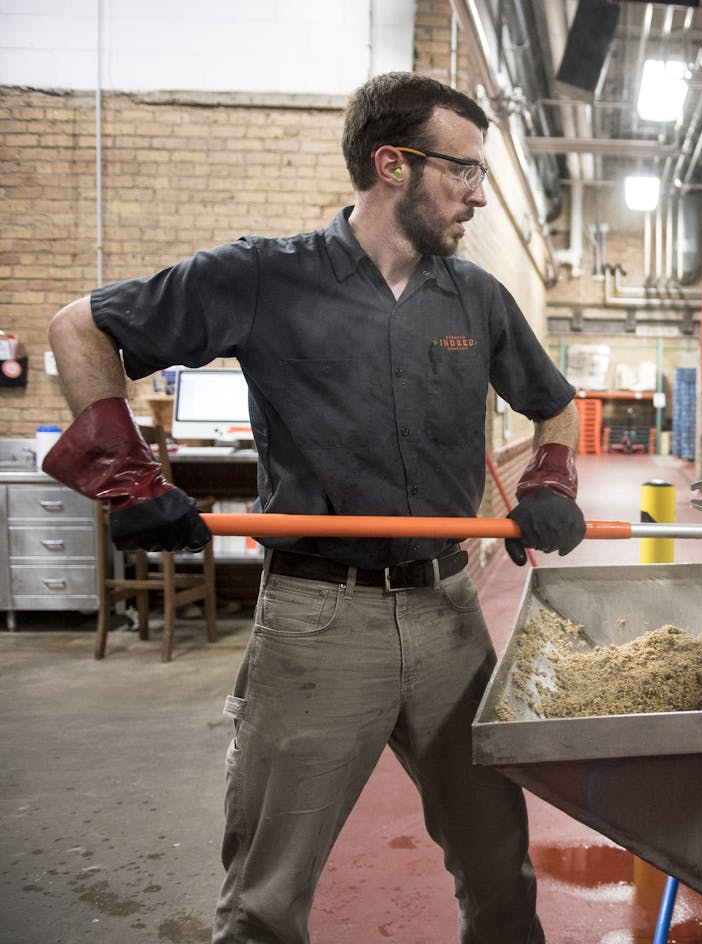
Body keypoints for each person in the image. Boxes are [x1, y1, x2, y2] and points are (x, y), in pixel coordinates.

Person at [43, 71, 584, 943]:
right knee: (265, 899)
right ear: (392, 164)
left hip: (449, 619)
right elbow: (80, 326)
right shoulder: (265, 276)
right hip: (318, 623)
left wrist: (548, 481)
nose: (478, 196)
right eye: (464, 172)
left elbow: (554, 400)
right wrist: (129, 478)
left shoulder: (474, 297)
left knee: (500, 872)